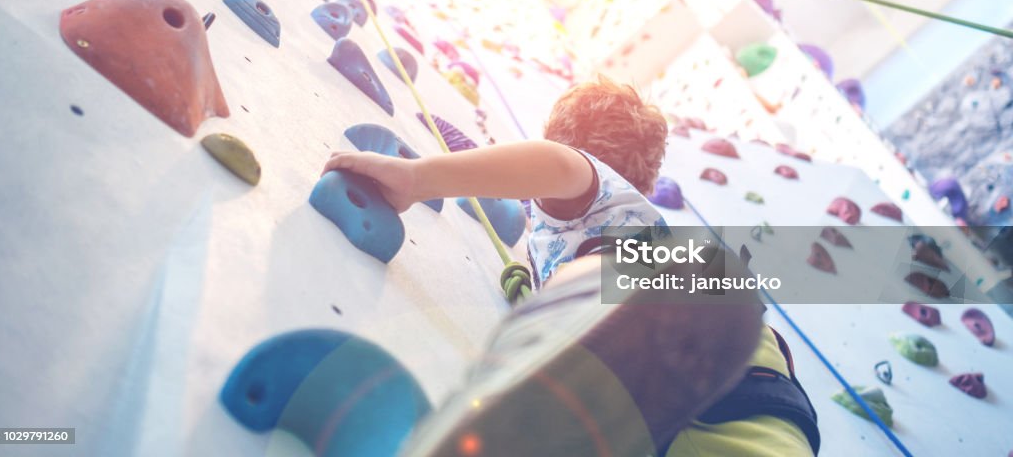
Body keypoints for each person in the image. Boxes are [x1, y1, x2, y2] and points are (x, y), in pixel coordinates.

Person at [322, 77, 819, 456]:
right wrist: (532, 292)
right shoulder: (628, 221)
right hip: (762, 404)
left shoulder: (596, 188)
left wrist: (418, 178)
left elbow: (560, 165)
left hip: (672, 326)